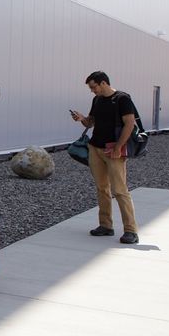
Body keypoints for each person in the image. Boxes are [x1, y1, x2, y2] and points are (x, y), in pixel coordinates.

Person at [69, 71, 139, 244]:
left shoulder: (122, 99)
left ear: (103, 83)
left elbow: (130, 123)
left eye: (93, 87)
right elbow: (91, 122)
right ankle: (106, 226)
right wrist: (81, 119)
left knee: (120, 190)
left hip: (113, 150)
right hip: (95, 148)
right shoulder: (97, 100)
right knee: (102, 188)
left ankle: (131, 230)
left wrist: (119, 147)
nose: (92, 91)